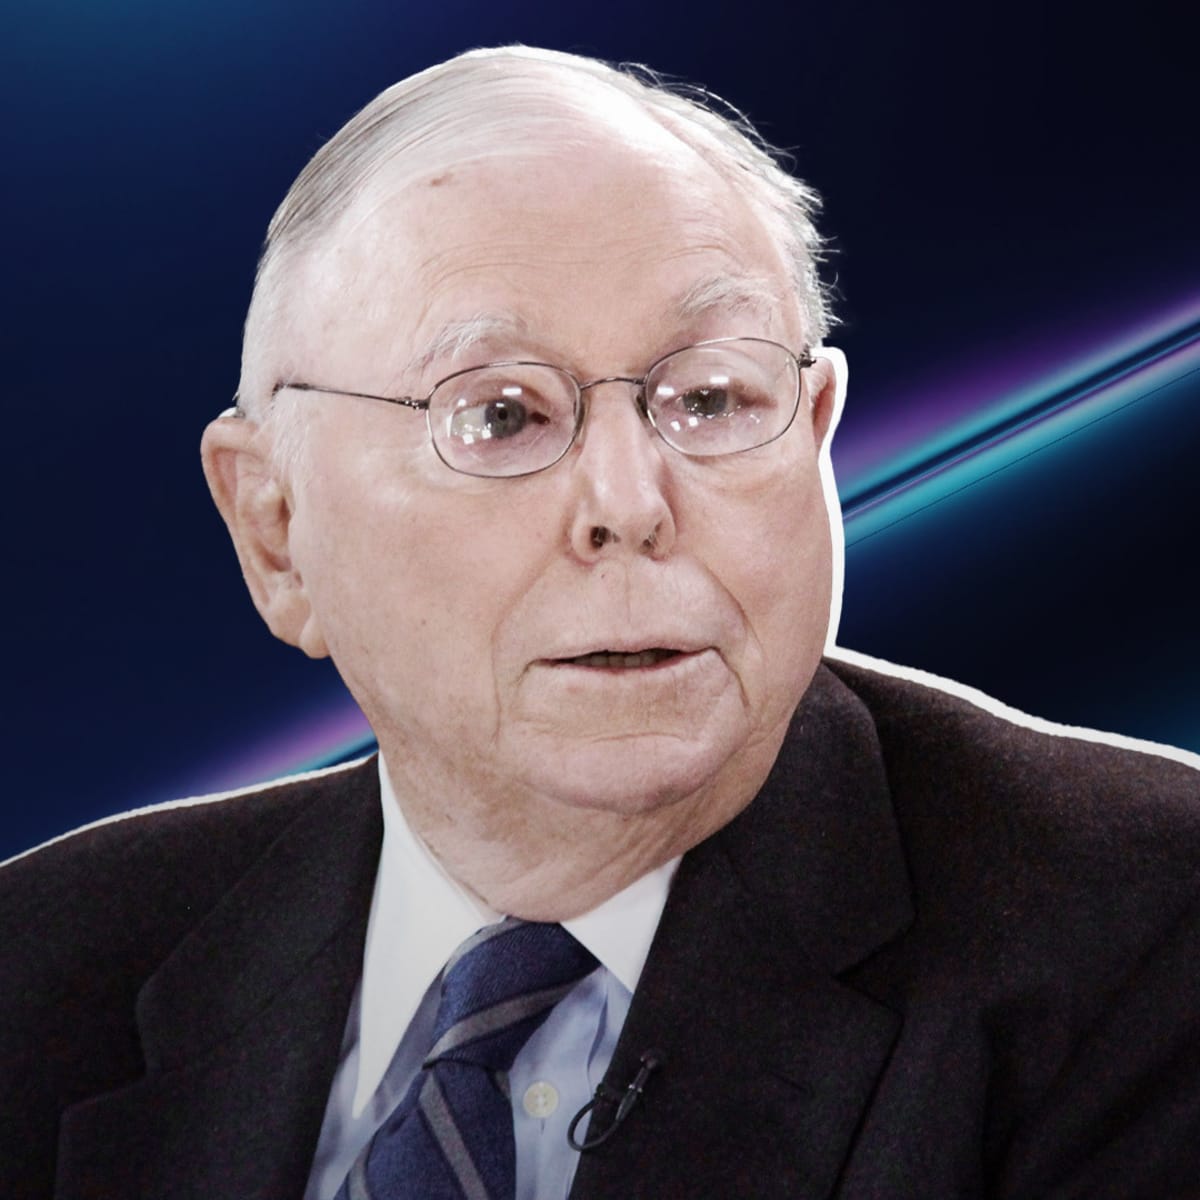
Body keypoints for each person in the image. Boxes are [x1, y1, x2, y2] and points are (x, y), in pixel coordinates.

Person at [2, 44, 1199, 1200]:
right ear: (276, 529)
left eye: (712, 398)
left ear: (818, 434)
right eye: (501, 416)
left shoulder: (1147, 931)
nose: (630, 504)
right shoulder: (45, 963)